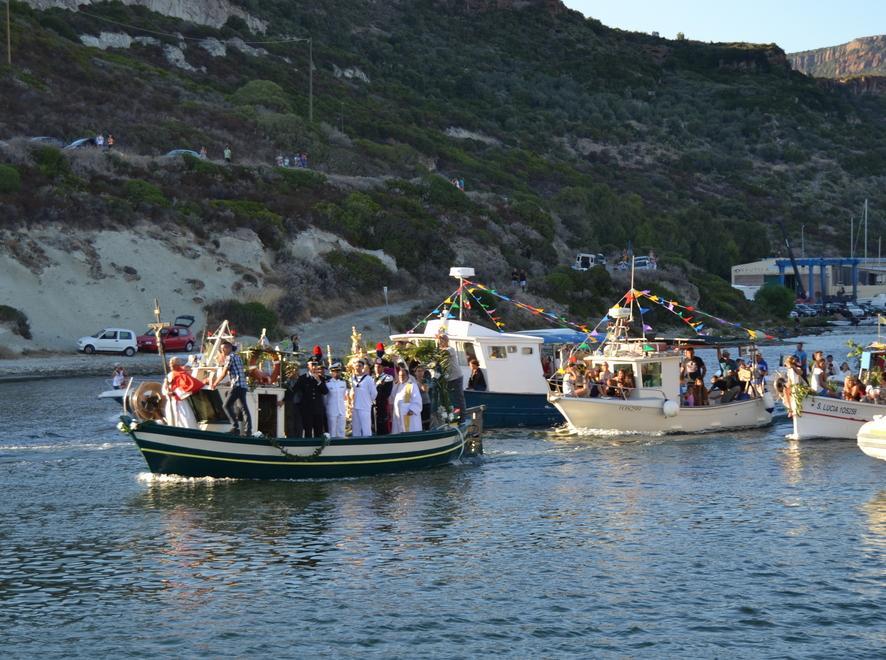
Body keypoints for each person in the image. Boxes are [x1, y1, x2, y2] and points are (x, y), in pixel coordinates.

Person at [208, 340, 254, 436]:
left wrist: (215, 383)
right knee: (243, 408)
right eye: (221, 349)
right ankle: (248, 430)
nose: (222, 351)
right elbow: (237, 371)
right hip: (243, 386)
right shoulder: (237, 357)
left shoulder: (230, 357)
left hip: (237, 385)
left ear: (229, 348)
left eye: (223, 349)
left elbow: (224, 372)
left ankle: (235, 427)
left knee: (226, 405)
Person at [164, 356, 203, 428]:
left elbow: (191, 386)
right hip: (170, 402)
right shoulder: (169, 375)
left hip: (180, 403)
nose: (170, 366)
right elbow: (164, 389)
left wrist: (175, 393)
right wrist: (166, 391)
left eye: (172, 364)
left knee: (185, 421)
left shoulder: (183, 374)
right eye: (170, 364)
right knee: (172, 422)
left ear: (177, 365)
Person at [297, 360, 329, 437]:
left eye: (316, 365)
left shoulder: (321, 378)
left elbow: (325, 391)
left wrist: (318, 381)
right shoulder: (302, 378)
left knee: (318, 432)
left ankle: (318, 448)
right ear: (308, 366)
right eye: (312, 365)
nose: (314, 367)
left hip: (318, 410)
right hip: (307, 410)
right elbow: (296, 391)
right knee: (308, 432)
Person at [437, 332, 465, 413]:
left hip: (456, 377)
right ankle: (450, 415)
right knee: (447, 398)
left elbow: (444, 353)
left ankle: (462, 417)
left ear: (446, 341)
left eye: (441, 341)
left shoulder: (450, 349)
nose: (440, 343)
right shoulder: (439, 350)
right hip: (447, 378)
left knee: (459, 398)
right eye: (439, 341)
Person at [391, 363, 422, 434]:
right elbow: (392, 396)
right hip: (398, 415)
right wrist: (395, 385)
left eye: (403, 375)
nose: (401, 377)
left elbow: (417, 400)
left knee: (410, 431)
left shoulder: (412, 385)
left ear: (408, 376)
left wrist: (412, 409)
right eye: (400, 375)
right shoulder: (398, 386)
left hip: (409, 415)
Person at [349, 359, 377, 437]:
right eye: (356, 366)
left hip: (365, 406)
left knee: (366, 428)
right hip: (355, 406)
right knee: (356, 428)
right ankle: (356, 444)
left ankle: (368, 444)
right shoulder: (352, 378)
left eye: (360, 366)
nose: (358, 368)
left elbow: (374, 393)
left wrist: (368, 401)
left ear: (362, 367)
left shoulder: (368, 379)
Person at [325, 362, 348, 438]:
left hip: (341, 409)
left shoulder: (343, 383)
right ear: (331, 372)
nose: (337, 373)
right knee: (332, 431)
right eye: (335, 371)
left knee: (341, 431)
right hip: (331, 410)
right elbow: (325, 399)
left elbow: (343, 395)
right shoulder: (327, 383)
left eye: (338, 371)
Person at [374, 358, 394, 435]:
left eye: (379, 367)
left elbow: (386, 394)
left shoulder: (388, 378)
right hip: (374, 406)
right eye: (375, 367)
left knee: (383, 425)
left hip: (382, 405)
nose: (377, 369)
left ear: (383, 368)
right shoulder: (372, 378)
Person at [413, 363, 432, 430]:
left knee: (426, 423)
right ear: (415, 373)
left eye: (421, 371)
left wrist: (419, 382)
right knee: (418, 422)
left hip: (425, 403)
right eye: (418, 371)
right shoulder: (412, 382)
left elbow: (425, 390)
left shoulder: (425, 380)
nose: (420, 373)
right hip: (417, 404)